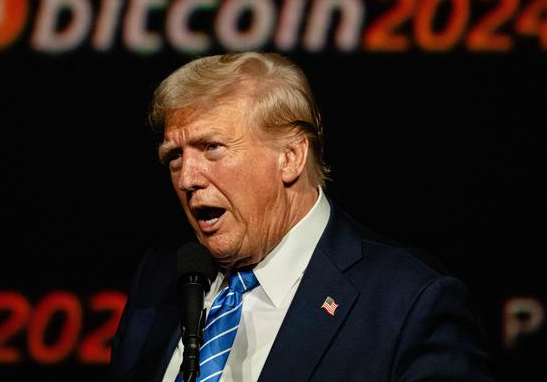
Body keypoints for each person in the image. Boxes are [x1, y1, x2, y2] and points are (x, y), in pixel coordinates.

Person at [110, 52, 495, 381]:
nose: (187, 178)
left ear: (291, 157)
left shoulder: (407, 303)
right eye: (174, 157)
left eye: (212, 147)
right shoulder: (160, 279)